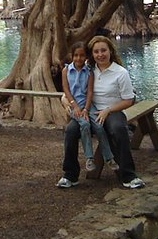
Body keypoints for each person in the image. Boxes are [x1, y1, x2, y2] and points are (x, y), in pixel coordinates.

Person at [57, 34, 146, 190]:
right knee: (70, 130)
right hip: (88, 111)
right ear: (92, 54)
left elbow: (129, 100)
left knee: (118, 129)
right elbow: (70, 90)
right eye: (96, 51)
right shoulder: (87, 69)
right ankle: (70, 175)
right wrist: (66, 101)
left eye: (103, 50)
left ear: (110, 51)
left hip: (112, 111)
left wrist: (108, 110)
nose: (100, 55)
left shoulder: (120, 73)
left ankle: (129, 175)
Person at [61, 42, 117, 174]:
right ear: (71, 56)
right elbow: (66, 89)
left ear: (86, 56)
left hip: (88, 105)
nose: (78, 58)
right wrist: (75, 106)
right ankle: (89, 158)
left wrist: (86, 109)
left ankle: (109, 157)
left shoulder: (89, 71)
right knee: (85, 125)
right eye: (76, 55)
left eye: (82, 55)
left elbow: (90, 92)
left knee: (98, 125)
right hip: (74, 106)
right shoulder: (66, 70)